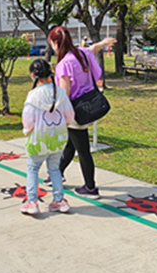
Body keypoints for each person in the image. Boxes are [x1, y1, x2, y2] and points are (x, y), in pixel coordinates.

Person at [49, 25, 112, 197]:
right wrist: (105, 42)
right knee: (71, 143)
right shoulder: (81, 53)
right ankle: (57, 173)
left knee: (82, 150)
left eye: (51, 44)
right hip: (90, 104)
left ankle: (90, 187)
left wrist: (56, 114)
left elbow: (64, 95)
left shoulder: (64, 64)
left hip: (76, 112)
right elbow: (94, 48)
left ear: (55, 43)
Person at [21, 59, 75, 215]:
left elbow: (28, 119)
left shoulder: (33, 95)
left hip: (38, 140)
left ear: (33, 75)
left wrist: (27, 131)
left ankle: (32, 202)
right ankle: (59, 200)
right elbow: (70, 115)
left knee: (33, 168)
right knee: (54, 169)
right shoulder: (60, 93)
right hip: (58, 139)